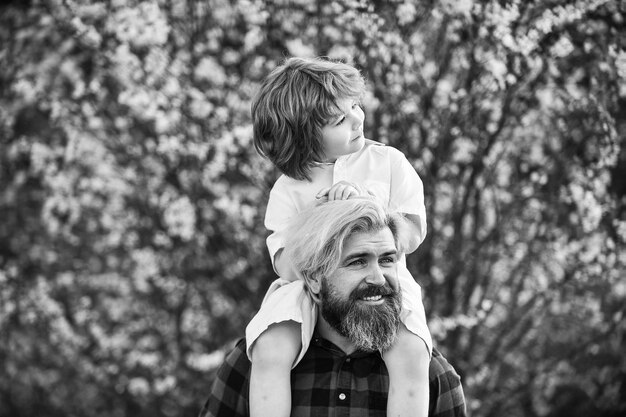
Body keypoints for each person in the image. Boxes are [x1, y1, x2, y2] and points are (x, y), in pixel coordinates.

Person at [247, 56, 433, 417]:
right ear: (304, 135)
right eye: (340, 120)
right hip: (305, 289)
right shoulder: (290, 188)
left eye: (355, 106)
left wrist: (367, 210)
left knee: (411, 351)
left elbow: (410, 234)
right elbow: (286, 266)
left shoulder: (389, 163)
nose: (358, 119)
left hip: (384, 277)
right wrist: (320, 225)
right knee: (269, 349)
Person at [199, 198, 466, 417]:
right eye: (357, 262)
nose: (378, 277)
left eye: (386, 260)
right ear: (314, 279)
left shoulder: (431, 375)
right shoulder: (255, 362)